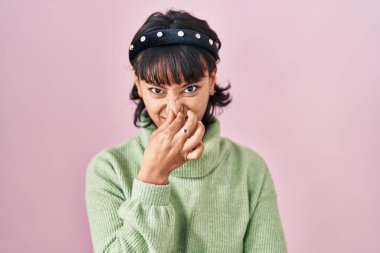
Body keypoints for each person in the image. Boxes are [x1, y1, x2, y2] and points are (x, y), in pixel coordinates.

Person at [85, 9, 288, 253]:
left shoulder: (249, 169)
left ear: (212, 80)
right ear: (138, 84)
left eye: (190, 89)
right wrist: (152, 179)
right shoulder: (109, 168)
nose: (174, 110)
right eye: (157, 90)